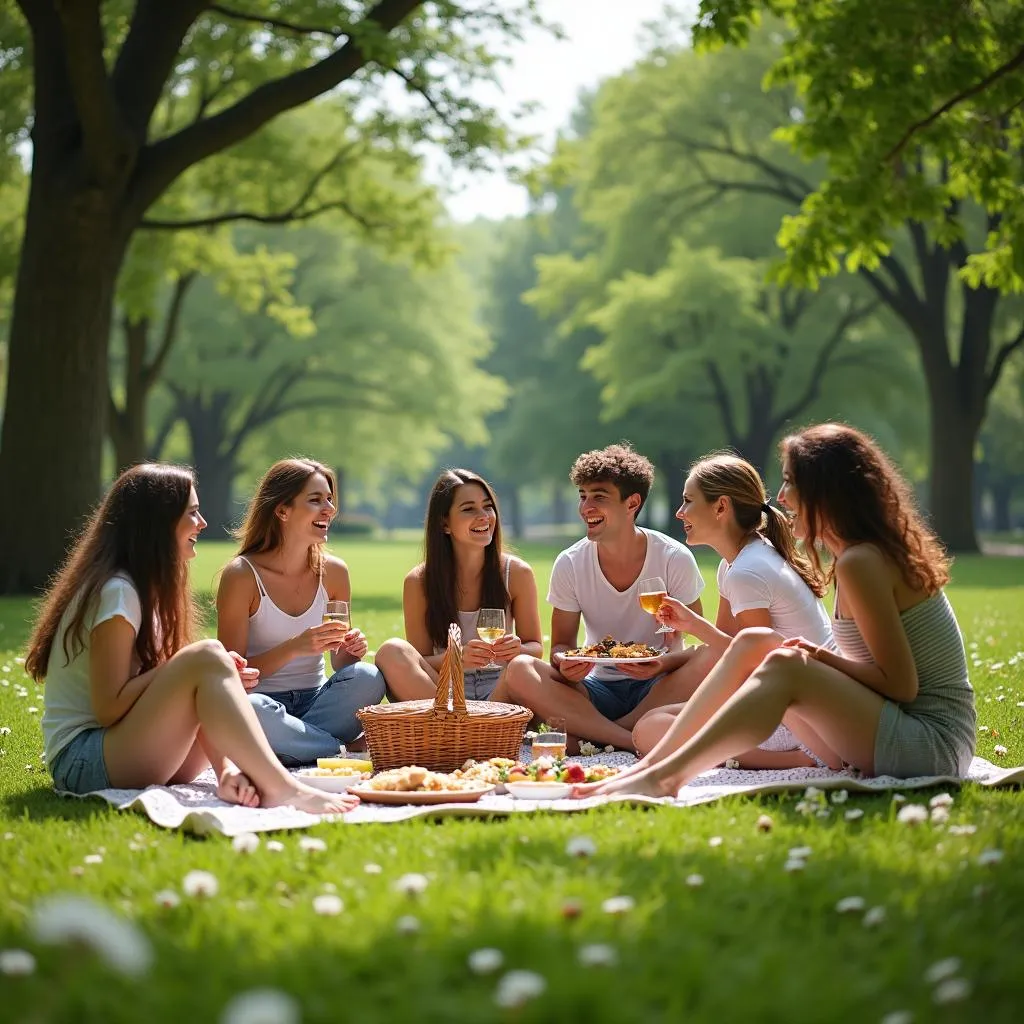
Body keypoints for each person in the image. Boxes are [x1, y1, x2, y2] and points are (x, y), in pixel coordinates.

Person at [575, 424, 976, 798]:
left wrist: (815, 657)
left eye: (791, 482)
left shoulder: (862, 562)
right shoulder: (852, 558)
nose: (780, 497)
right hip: (883, 733)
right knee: (758, 642)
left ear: (826, 491)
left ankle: (663, 777)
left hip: (929, 745)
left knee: (782, 660)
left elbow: (901, 686)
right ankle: (653, 770)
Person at [27, 463, 354, 814]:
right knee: (208, 656)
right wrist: (182, 667)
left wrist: (225, 769)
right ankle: (284, 788)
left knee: (210, 662)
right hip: (85, 761)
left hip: (131, 746)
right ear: (159, 522)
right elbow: (108, 709)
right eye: (193, 513)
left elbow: (185, 693)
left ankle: (247, 773)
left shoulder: (151, 590)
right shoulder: (118, 592)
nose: (203, 524)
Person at [631, 452, 835, 768]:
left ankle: (794, 760)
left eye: (688, 501)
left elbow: (758, 664)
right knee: (653, 720)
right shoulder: (738, 562)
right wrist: (667, 661)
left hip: (800, 718)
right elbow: (726, 645)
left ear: (721, 507)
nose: (679, 512)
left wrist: (694, 626)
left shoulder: (746, 571)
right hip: (792, 700)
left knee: (650, 730)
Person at [504, 443, 706, 750]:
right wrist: (564, 663)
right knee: (520, 668)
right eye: (583, 496)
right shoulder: (570, 563)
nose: (586, 508)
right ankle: (629, 739)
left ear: (632, 503)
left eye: (599, 497)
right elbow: (561, 645)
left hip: (659, 688)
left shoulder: (673, 557)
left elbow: (699, 640)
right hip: (595, 689)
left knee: (715, 654)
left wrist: (661, 665)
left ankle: (596, 736)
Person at [217, 458, 385, 766]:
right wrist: (296, 647)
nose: (330, 510)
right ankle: (340, 750)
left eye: (330, 500)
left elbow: (339, 661)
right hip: (264, 703)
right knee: (253, 709)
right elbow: (231, 677)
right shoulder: (242, 576)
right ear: (282, 511)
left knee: (369, 677)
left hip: (318, 701)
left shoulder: (334, 573)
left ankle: (299, 744)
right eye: (316, 500)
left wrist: (350, 651)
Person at [374, 469, 543, 701]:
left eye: (488, 506)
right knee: (390, 652)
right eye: (469, 509)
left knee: (523, 667)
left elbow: (535, 648)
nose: (484, 516)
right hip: (444, 690)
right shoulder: (418, 582)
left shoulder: (516, 573)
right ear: (445, 524)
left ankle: (459, 732)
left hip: (500, 689)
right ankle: (461, 729)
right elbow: (419, 660)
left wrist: (517, 650)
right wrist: (457, 658)